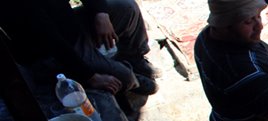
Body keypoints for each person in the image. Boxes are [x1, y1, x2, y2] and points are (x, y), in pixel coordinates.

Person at [0, 0, 159, 96]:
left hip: (71, 25)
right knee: (123, 76)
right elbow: (51, 41)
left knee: (126, 7)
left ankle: (134, 57)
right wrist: (90, 76)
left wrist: (101, 14)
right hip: (49, 52)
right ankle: (132, 80)